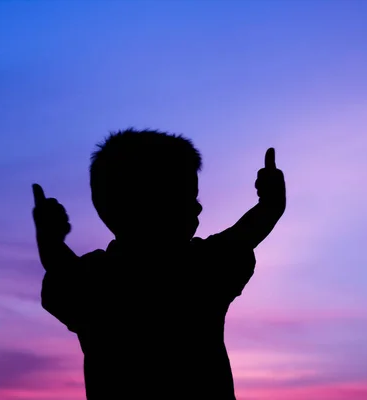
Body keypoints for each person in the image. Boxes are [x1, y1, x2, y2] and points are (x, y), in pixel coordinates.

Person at [31, 128, 286, 399]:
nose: (198, 207)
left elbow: (62, 270)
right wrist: (271, 205)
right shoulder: (199, 270)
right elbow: (246, 235)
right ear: (149, 203)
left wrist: (50, 239)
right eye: (186, 197)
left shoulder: (96, 280)